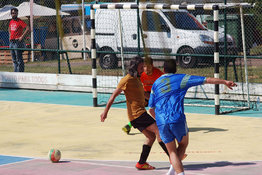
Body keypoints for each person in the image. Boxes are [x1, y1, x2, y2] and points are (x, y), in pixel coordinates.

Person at [148, 59, 237, 175]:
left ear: (163, 70)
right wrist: (224, 81)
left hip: (161, 121)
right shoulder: (182, 78)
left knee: (172, 152)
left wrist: (160, 122)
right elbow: (207, 80)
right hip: (176, 117)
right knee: (183, 144)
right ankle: (178, 173)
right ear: (176, 69)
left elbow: (150, 109)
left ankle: (171, 172)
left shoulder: (156, 83)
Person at [100, 56, 170, 170]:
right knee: (159, 130)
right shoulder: (126, 80)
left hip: (137, 116)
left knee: (151, 136)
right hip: (137, 114)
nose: (143, 69)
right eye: (141, 67)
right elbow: (113, 96)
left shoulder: (137, 79)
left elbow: (144, 94)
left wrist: (157, 100)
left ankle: (141, 163)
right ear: (134, 67)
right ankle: (173, 157)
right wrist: (105, 112)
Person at [122, 57, 163, 134]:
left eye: (148, 66)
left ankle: (163, 123)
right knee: (139, 110)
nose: (146, 69)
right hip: (145, 93)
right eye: (144, 66)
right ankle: (130, 125)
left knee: (160, 108)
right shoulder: (141, 74)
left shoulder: (159, 74)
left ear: (152, 65)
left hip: (156, 94)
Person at [8, 8, 29, 72]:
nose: (13, 14)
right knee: (14, 59)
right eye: (12, 13)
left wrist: (22, 37)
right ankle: (15, 73)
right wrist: (10, 35)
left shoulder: (19, 21)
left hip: (17, 42)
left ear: (17, 13)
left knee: (19, 59)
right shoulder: (11, 21)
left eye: (14, 13)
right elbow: (9, 28)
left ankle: (20, 73)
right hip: (11, 42)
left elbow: (27, 28)